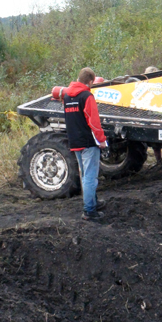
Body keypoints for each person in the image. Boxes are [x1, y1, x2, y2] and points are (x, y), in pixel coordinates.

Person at [52, 67, 107, 221]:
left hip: (75, 141)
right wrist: (101, 140)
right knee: (90, 177)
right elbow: (94, 122)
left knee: (85, 176)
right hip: (88, 142)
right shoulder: (86, 96)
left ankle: (93, 202)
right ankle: (89, 210)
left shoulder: (67, 96)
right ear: (90, 82)